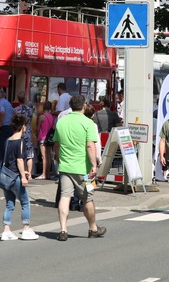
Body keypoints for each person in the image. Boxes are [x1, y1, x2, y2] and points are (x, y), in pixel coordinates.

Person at [53, 95, 106, 241]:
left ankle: (63, 229)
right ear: (84, 106)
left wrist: (58, 158)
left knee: (64, 197)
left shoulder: (61, 122)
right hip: (84, 170)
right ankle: (93, 228)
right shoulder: (88, 123)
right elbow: (90, 146)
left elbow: (56, 144)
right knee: (87, 198)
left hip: (65, 167)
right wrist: (94, 166)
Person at [0, 115, 39, 241]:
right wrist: (24, 176)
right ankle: (26, 228)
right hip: (16, 176)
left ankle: (6, 230)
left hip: (6, 176)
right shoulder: (20, 141)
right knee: (25, 202)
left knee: (9, 204)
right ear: (23, 127)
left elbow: (8, 159)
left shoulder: (8, 140)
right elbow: (19, 160)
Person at [0, 89, 14, 180]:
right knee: (5, 151)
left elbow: (2, 113)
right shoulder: (8, 103)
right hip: (8, 128)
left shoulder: (0, 103)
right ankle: (4, 174)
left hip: (2, 129)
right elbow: (13, 112)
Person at [14, 91, 36, 178]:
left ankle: (22, 173)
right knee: (29, 154)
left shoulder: (16, 110)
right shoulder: (30, 110)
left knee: (20, 154)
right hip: (28, 131)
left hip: (19, 132)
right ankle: (29, 174)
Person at [35, 101, 55, 180]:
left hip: (42, 138)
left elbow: (38, 128)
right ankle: (48, 174)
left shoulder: (41, 117)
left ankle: (43, 174)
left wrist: (37, 135)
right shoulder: (52, 117)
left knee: (44, 157)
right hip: (49, 138)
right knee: (49, 156)